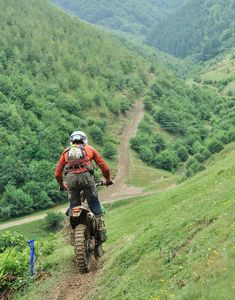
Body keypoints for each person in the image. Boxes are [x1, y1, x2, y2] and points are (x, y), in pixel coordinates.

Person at [54, 130, 113, 242]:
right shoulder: (89, 149)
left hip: (70, 181)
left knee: (74, 206)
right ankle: (100, 229)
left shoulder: (66, 152)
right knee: (94, 203)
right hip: (87, 180)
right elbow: (104, 167)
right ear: (85, 140)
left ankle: (72, 233)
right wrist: (108, 180)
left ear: (71, 141)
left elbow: (57, 173)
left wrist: (62, 185)